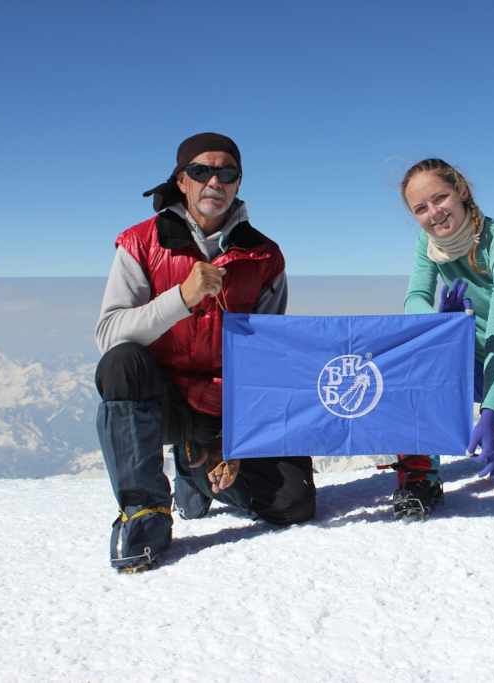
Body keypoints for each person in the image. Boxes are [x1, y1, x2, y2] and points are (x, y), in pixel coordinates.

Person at [95, 132, 316, 572]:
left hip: (226, 405)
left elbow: (266, 356)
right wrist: (182, 297)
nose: (215, 181)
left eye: (227, 173)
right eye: (201, 171)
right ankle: (145, 515)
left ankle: (197, 471)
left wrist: (235, 438)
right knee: (122, 363)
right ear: (181, 181)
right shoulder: (141, 243)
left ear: (238, 183)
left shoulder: (264, 256)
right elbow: (109, 334)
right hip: (166, 401)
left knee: (294, 503)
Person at [394, 158, 494, 517]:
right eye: (420, 208)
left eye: (440, 198)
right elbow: (414, 299)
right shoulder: (428, 243)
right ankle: (420, 473)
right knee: (407, 362)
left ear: (461, 191)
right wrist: (440, 323)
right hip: (466, 359)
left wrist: (488, 411)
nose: (434, 213)